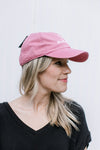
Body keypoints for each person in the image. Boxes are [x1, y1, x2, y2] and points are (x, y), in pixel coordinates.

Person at [0, 32, 91, 150]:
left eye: (66, 63)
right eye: (58, 63)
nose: (68, 70)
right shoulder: (2, 117)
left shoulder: (72, 114)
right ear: (36, 68)